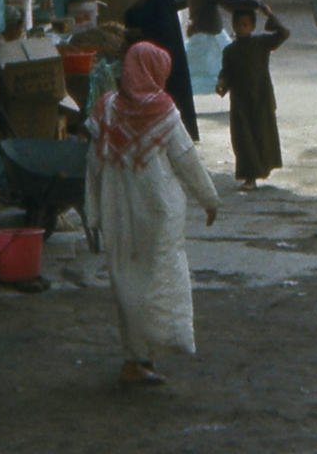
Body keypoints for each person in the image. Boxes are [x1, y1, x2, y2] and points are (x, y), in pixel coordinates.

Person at [85, 41, 218, 388]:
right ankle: (152, 349)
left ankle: (136, 358)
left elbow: (93, 166)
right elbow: (186, 159)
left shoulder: (105, 110)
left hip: (117, 211)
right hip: (158, 211)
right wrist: (209, 199)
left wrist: (92, 213)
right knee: (158, 278)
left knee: (126, 282)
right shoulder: (163, 111)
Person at [217, 0, 290, 186]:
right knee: (242, 139)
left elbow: (283, 33)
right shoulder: (230, 51)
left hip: (261, 97)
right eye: (237, 24)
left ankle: (259, 171)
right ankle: (250, 177)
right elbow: (226, 72)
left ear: (252, 26)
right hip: (239, 101)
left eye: (244, 24)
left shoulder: (262, 43)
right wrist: (221, 83)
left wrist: (269, 14)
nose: (240, 28)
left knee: (261, 136)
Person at [123, 0, 199, 140]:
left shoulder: (145, 10)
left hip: (150, 68)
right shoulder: (166, 8)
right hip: (172, 67)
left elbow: (137, 22)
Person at [178, 0, 247, 97]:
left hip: (206, 33)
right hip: (206, 32)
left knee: (182, 65)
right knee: (227, 65)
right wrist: (167, 5)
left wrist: (246, 6)